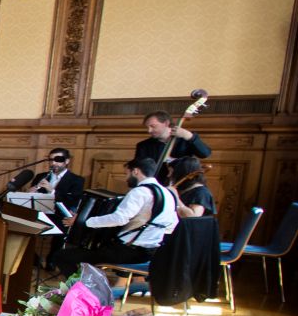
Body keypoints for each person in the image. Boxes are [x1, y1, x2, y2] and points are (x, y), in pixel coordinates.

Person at [52, 158, 180, 274]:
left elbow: (120, 218)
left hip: (128, 251)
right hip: (152, 252)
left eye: (127, 174)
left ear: (135, 171)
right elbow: (172, 225)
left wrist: (84, 221)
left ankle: (83, 292)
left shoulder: (140, 192)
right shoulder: (167, 193)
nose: (126, 179)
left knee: (62, 256)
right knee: (87, 252)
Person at [136, 110, 211, 165]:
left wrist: (189, 136)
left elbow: (205, 154)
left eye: (153, 126)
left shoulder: (185, 139)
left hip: (182, 184)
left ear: (166, 123)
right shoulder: (143, 146)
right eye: (147, 127)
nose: (149, 130)